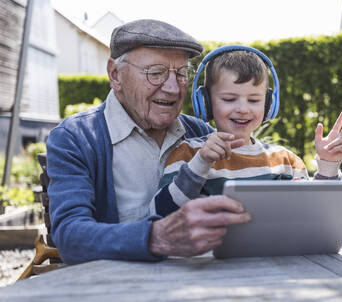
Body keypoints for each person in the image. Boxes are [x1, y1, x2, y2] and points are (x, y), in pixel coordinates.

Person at [46, 20, 252, 264]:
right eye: (156, 73)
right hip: (116, 290)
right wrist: (157, 237)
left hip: (197, 284)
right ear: (115, 74)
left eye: (182, 73)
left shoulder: (201, 133)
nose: (173, 88)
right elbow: (71, 237)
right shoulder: (76, 137)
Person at [150, 46, 342, 217]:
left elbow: (316, 217)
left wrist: (328, 166)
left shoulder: (286, 162)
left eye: (254, 100)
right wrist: (200, 164)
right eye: (229, 99)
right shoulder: (189, 155)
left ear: (268, 104)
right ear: (206, 103)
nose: (243, 109)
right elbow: (159, 215)